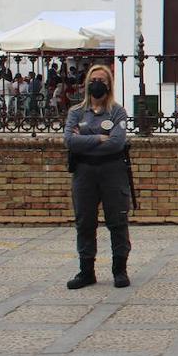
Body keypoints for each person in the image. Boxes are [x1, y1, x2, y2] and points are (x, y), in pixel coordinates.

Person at [63, 64, 132, 290]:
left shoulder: (117, 111)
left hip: (112, 171)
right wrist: (98, 139)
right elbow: (69, 141)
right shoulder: (76, 112)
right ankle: (86, 271)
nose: (97, 84)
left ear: (109, 84)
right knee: (85, 222)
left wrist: (85, 138)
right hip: (84, 173)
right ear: (86, 84)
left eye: (102, 80)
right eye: (94, 79)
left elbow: (116, 143)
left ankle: (119, 270)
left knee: (117, 221)